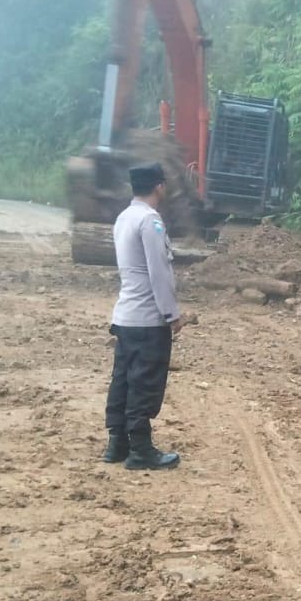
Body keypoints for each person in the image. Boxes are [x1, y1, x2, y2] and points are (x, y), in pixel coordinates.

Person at [102, 162, 185, 470]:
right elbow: (159, 273)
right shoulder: (150, 221)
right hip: (149, 319)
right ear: (159, 186)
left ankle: (117, 443)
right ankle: (141, 449)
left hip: (125, 315)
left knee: (122, 380)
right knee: (144, 383)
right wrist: (171, 314)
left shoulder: (124, 217)